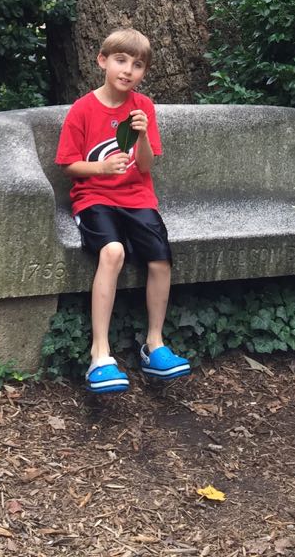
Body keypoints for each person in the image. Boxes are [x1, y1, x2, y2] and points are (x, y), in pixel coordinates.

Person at [54, 27, 191, 394]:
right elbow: (67, 165)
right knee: (112, 252)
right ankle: (100, 354)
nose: (128, 70)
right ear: (102, 61)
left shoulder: (143, 107)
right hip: (94, 197)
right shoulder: (83, 109)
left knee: (160, 259)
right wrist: (101, 168)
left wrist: (142, 135)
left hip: (137, 198)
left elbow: (144, 166)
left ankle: (154, 345)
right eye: (121, 60)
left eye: (138, 65)